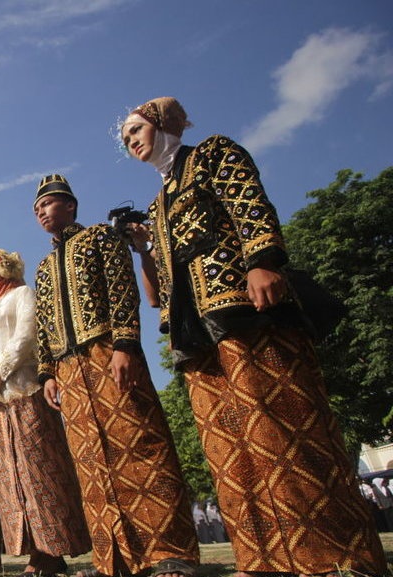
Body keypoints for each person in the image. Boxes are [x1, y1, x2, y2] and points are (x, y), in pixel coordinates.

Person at [118, 95, 385, 575]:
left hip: (244, 307)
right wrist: (143, 250)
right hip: (196, 331)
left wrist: (262, 261)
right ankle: (259, 558)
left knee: (278, 424)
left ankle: (328, 555)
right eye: (125, 139)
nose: (131, 141)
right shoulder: (158, 203)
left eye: (136, 130)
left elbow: (249, 202)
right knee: (227, 444)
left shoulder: (214, 152)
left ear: (160, 123)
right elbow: (158, 294)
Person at [30, 174, 198, 577]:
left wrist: (125, 345)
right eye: (36, 209)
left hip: (108, 352)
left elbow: (124, 290)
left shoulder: (100, 238)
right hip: (68, 370)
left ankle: (168, 553)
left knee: (140, 443)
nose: (40, 212)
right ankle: (114, 558)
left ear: (70, 205)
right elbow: (43, 325)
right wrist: (46, 373)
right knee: (90, 461)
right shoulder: (43, 267)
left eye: (48, 204)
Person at [0, 249, 90, 576]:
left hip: (26, 390)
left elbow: (26, 336)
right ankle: (33, 552)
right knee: (11, 479)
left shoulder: (22, 294)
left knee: (39, 471)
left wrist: (0, 373)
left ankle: (52, 549)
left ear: (3, 267)